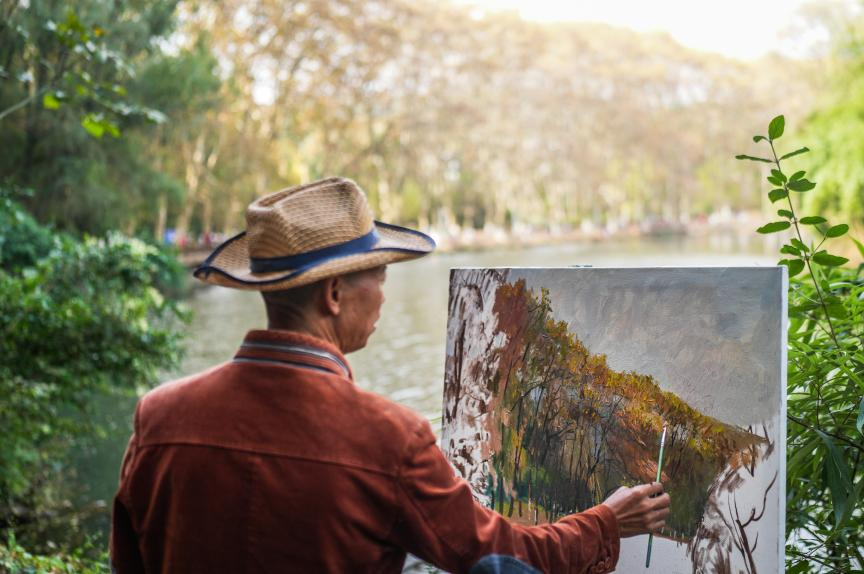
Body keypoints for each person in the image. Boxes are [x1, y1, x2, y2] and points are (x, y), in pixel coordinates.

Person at [110, 177, 670, 573]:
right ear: (333, 295)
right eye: (378, 275)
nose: (384, 293)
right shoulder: (386, 439)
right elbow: (497, 559)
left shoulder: (159, 416)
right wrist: (604, 523)